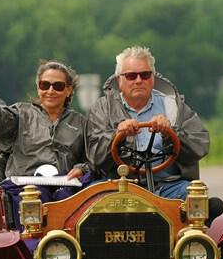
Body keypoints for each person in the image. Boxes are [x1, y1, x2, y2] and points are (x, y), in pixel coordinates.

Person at [0, 49, 90, 227]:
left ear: (69, 90)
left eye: (58, 86)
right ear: (38, 87)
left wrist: (81, 168)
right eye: (45, 85)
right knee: (35, 197)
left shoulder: (81, 123)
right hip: (26, 188)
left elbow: (91, 159)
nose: (50, 91)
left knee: (66, 198)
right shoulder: (20, 114)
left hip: (65, 187)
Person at [85, 45, 209, 200]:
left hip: (167, 185)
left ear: (153, 78)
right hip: (119, 186)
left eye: (144, 75)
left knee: (196, 196)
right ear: (119, 80)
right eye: (131, 76)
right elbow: (95, 156)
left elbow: (199, 146)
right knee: (90, 197)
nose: (138, 81)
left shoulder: (172, 106)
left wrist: (170, 133)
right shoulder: (103, 108)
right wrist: (118, 135)